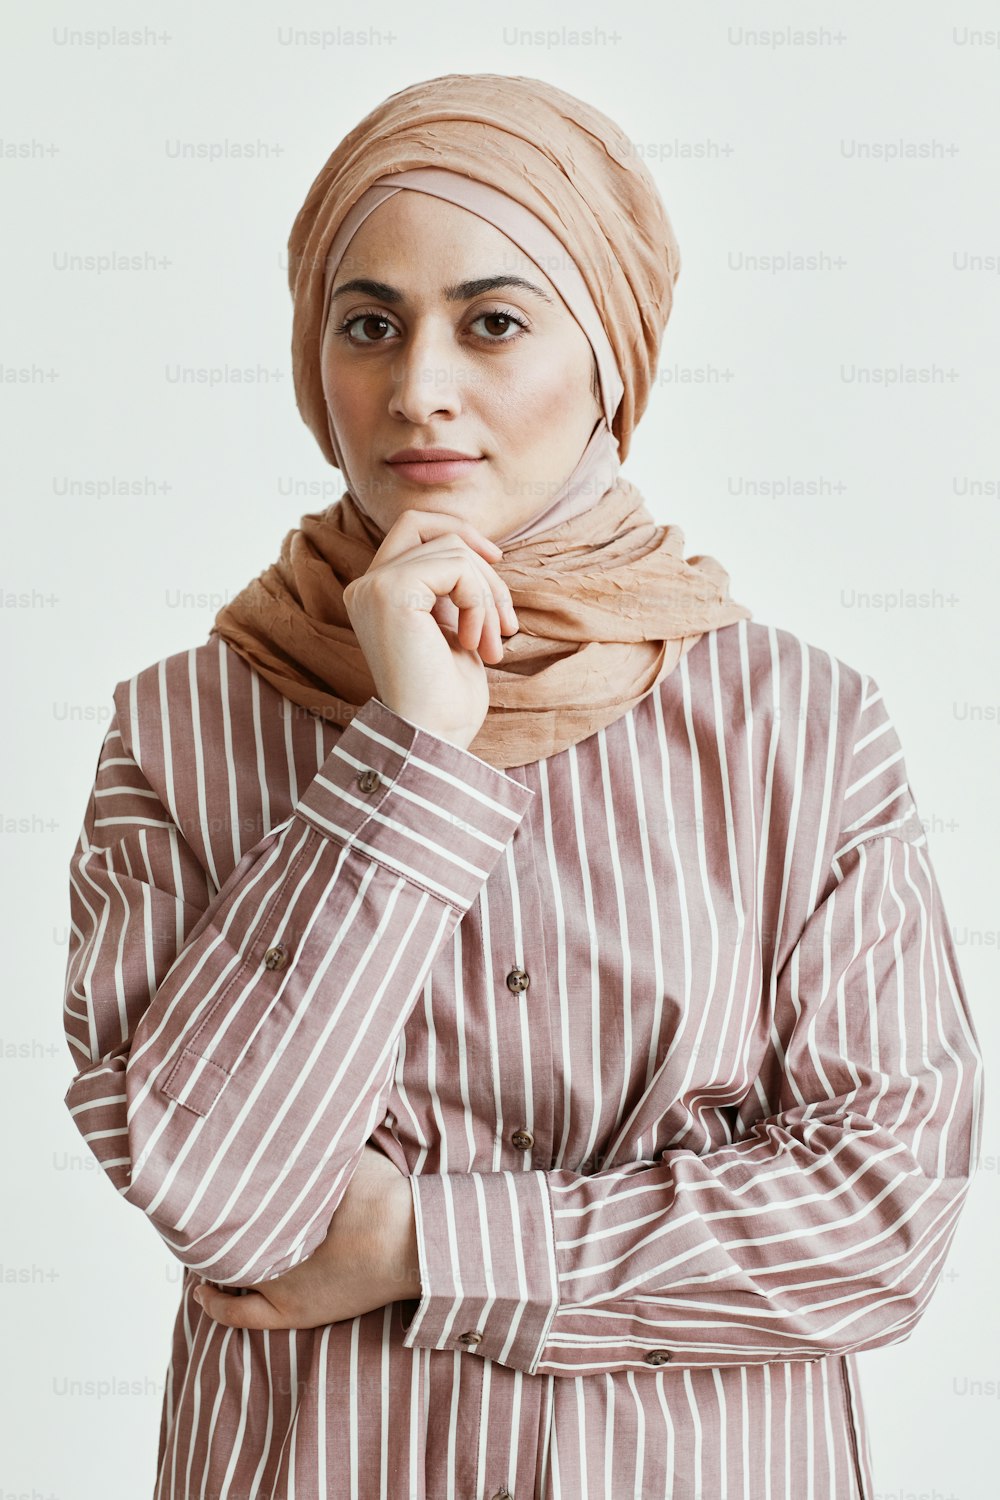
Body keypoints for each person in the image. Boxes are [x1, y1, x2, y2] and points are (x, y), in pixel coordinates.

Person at [61, 73, 983, 1500]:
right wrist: (410, 749)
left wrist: (424, 1243)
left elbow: (878, 1217)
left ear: (612, 348)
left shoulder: (800, 728)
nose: (419, 387)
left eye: (494, 322)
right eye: (369, 324)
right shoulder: (182, 730)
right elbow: (225, 1202)